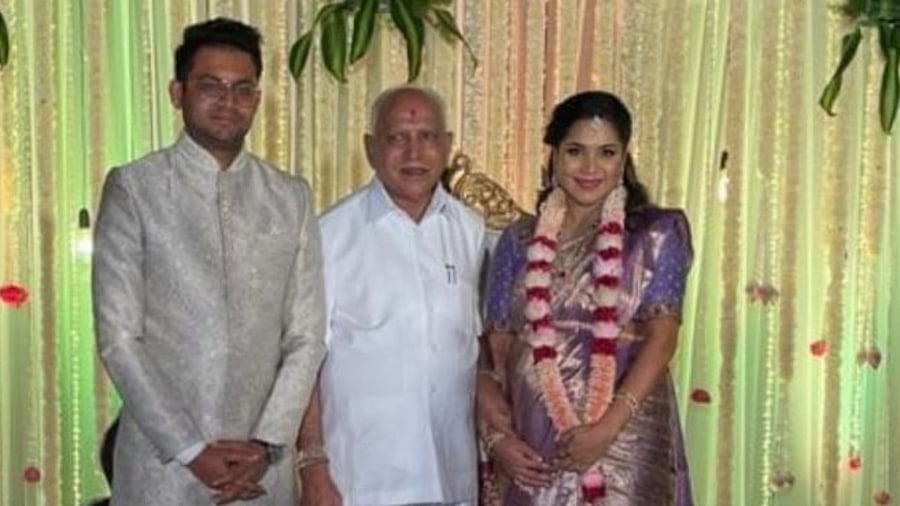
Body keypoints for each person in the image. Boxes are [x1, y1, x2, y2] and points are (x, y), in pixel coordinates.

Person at [92, 18, 326, 505]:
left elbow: (306, 336)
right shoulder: (136, 189)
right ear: (177, 92)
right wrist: (191, 449)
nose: (228, 101)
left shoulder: (290, 198)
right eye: (210, 86)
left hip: (260, 473)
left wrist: (267, 443)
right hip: (164, 467)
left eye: (243, 89)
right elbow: (118, 338)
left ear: (258, 100)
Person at [476, 91, 694, 505]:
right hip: (535, 439)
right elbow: (494, 352)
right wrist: (499, 437)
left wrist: (606, 430)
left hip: (624, 440)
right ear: (554, 155)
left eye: (607, 152)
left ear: (624, 158)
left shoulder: (655, 233)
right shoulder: (518, 241)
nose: (591, 167)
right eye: (576, 151)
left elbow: (662, 339)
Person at [295, 86, 486, 506]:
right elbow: (303, 360)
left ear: (449, 145)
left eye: (428, 137)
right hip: (362, 481)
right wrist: (312, 463)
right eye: (397, 138)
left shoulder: (472, 233)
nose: (414, 152)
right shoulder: (330, 235)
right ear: (370, 147)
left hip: (452, 477)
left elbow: (480, 353)